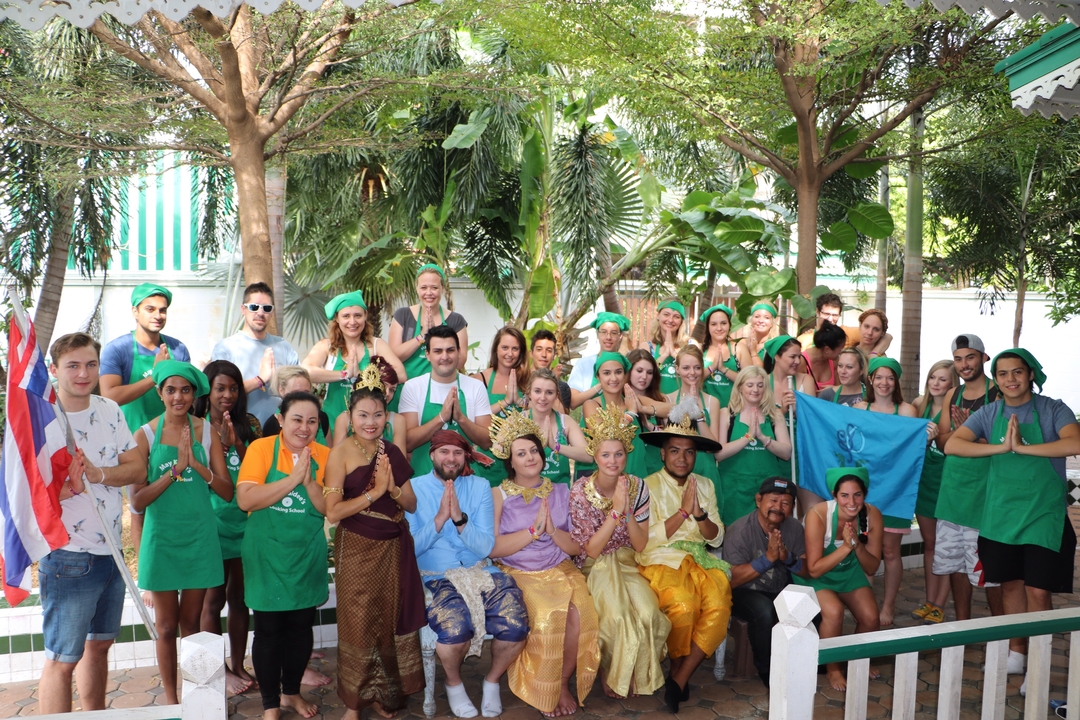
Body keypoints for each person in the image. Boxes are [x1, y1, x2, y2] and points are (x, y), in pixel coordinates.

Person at [945, 349, 1080, 692]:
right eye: (1002, 374)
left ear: (1030, 374)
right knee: (1011, 586)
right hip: (1001, 515)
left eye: (1017, 372)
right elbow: (953, 445)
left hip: (1042, 514)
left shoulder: (1053, 409)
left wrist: (1023, 447)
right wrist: (1002, 448)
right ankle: (1016, 652)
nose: (1010, 380)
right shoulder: (991, 413)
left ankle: (1039, 664)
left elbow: (1074, 441)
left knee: (1038, 590)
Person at [38, 333, 145, 715]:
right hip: (68, 556)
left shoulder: (109, 409)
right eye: (73, 365)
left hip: (111, 552)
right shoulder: (41, 419)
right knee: (62, 660)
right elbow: (24, 494)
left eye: (91, 365)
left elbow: (137, 468)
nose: (83, 374)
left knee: (99, 645)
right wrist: (67, 489)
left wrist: (98, 474)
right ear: (54, 370)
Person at [323, 366, 425, 719]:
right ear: (350, 416)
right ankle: (354, 703)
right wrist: (375, 494)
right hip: (357, 548)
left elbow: (411, 503)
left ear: (387, 417)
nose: (371, 422)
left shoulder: (392, 452)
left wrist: (393, 489)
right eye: (363, 415)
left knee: (388, 621)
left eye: (378, 415)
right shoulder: (340, 454)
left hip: (393, 548)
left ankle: (385, 695)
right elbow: (333, 512)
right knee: (359, 622)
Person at [406, 430, 529, 719]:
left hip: (480, 570)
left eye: (458, 453)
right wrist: (439, 519)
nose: (451, 458)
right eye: (445, 452)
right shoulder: (413, 488)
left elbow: (486, 546)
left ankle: (492, 681)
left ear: (465, 457)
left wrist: (460, 519)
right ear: (432, 455)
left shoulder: (480, 486)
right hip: (434, 574)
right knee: (454, 632)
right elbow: (411, 549)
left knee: (516, 627)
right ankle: (454, 683)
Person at [131, 360, 233, 706]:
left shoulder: (206, 432)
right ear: (159, 393)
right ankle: (173, 699)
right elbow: (139, 499)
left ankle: (198, 698)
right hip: (161, 541)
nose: (178, 397)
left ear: (194, 395)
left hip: (200, 539)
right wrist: (175, 471)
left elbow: (226, 491)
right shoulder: (144, 435)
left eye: (185, 390)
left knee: (192, 623)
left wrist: (197, 466)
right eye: (171, 390)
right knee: (165, 626)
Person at [489, 413, 600, 717]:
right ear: (510, 462)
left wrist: (551, 530)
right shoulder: (497, 495)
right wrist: (532, 532)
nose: (530, 458)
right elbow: (493, 548)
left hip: (561, 568)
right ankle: (541, 687)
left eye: (534, 451)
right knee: (550, 618)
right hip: (520, 572)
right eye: (521, 453)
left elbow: (578, 547)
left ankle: (562, 683)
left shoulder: (564, 491)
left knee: (583, 616)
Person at [236, 392, 332, 720]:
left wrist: (310, 484)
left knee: (301, 627)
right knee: (268, 629)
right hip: (266, 554)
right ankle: (270, 705)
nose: (304, 428)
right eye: (297, 419)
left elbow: (328, 510)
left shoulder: (325, 455)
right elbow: (246, 500)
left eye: (311, 421)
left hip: (305, 554)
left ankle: (291, 693)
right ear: (281, 419)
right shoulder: (260, 449)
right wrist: (292, 480)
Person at [568, 408, 670, 699]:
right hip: (593, 565)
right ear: (595, 458)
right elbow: (591, 549)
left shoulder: (638, 487)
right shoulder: (580, 491)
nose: (613, 462)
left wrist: (628, 514)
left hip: (627, 560)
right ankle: (610, 671)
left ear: (627, 455)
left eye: (619, 455)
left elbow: (639, 545)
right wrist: (615, 511)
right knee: (619, 617)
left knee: (650, 614)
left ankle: (638, 671)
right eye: (605, 455)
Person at [636, 423, 730, 713]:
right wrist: (682, 513)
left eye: (689, 452)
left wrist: (699, 514)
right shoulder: (646, 485)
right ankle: (680, 670)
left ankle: (678, 678)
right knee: (683, 605)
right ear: (663, 454)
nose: (682, 458)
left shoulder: (705, 484)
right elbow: (644, 540)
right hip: (661, 559)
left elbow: (716, 537)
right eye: (675, 451)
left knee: (719, 605)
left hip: (700, 560)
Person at [99, 283, 189, 566]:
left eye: (163, 310)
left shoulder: (177, 348)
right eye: (150, 309)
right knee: (139, 508)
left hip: (171, 438)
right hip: (133, 442)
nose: (158, 315)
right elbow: (110, 395)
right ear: (135, 312)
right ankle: (148, 574)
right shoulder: (119, 349)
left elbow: (188, 393)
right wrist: (155, 376)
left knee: (172, 502)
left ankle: (174, 563)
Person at [194, 360, 263, 695]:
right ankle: (214, 671)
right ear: (207, 390)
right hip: (212, 524)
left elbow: (259, 468)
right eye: (220, 388)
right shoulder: (195, 426)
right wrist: (217, 445)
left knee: (240, 599)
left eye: (233, 388)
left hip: (244, 523)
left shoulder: (249, 423)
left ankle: (237, 665)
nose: (227, 395)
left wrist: (236, 444)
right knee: (212, 600)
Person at [932, 334, 1006, 634]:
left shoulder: (999, 393)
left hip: (985, 495)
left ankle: (1000, 631)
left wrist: (964, 433)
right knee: (955, 566)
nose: (964, 364)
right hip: (952, 493)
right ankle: (962, 627)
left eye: (970, 357)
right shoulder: (952, 395)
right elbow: (943, 442)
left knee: (990, 570)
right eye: (959, 359)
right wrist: (974, 433)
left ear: (984, 359)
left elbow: (1001, 440)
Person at [853, 357, 926, 627]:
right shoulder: (859, 409)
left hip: (895, 488)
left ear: (896, 381)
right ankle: (867, 604)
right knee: (866, 548)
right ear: (870, 380)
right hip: (864, 491)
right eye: (879, 377)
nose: (884, 383)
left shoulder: (906, 411)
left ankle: (888, 605)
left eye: (890, 378)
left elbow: (911, 447)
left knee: (890, 551)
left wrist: (925, 435)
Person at [795, 467, 883, 692]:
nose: (851, 502)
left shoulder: (873, 515)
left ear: (865, 495)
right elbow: (814, 569)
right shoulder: (817, 514)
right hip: (817, 576)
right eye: (844, 495)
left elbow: (872, 566)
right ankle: (832, 667)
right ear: (834, 495)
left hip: (848, 572)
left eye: (857, 495)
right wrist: (846, 547)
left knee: (871, 617)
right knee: (833, 611)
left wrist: (856, 546)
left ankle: (858, 659)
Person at [721, 478, 807, 686]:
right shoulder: (739, 530)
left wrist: (787, 557)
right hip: (744, 591)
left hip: (779, 588)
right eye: (773, 500)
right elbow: (731, 580)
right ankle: (768, 672)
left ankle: (805, 666)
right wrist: (767, 559)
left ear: (792, 508)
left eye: (785, 503)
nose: (778, 507)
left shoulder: (794, 528)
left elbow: (805, 570)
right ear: (759, 500)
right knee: (765, 611)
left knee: (809, 607)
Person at [399, 324, 492, 479]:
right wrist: (441, 418)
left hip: (469, 481)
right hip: (424, 481)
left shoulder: (475, 387)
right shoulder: (413, 387)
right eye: (437, 351)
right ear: (428, 354)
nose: (445, 357)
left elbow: (487, 441)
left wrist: (461, 418)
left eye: (450, 350)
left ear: (459, 352)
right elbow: (408, 442)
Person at [302, 290, 406, 425]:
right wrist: (345, 374)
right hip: (333, 422)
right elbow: (305, 372)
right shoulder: (326, 346)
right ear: (337, 318)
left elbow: (401, 374)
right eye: (346, 316)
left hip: (370, 425)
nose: (352, 322)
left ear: (365, 316)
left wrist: (360, 375)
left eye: (358, 315)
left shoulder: (376, 345)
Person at [910, 360, 958, 625]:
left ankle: (940, 604)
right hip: (924, 481)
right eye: (932, 378)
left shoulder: (957, 409)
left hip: (948, 483)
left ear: (952, 385)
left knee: (946, 546)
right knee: (930, 545)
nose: (936, 384)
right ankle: (930, 600)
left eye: (942, 379)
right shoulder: (919, 405)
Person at [211, 282, 301, 425]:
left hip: (280, 431)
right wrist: (261, 379)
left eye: (266, 308)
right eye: (254, 307)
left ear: (272, 312)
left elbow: (299, 389)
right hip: (239, 429)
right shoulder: (226, 347)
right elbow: (220, 395)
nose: (260, 313)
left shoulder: (283, 347)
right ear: (243, 309)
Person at [716, 367, 792, 526]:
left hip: (767, 489)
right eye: (750, 385)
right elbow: (719, 453)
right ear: (740, 387)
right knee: (734, 537)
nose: (755, 390)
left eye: (760, 385)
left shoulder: (775, 415)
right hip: (734, 489)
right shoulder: (726, 413)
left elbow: (786, 452)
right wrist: (749, 436)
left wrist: (763, 438)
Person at [388, 264, 469, 409]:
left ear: (442, 289)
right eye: (424, 287)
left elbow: (460, 362)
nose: (429, 292)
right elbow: (393, 356)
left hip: (440, 393)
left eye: (434, 287)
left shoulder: (456, 321)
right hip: (403, 391)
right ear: (417, 289)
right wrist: (422, 336)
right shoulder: (403, 316)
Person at [472, 327, 531, 486]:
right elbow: (473, 417)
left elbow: (540, 411)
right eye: (505, 347)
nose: (509, 353)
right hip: (486, 458)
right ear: (496, 349)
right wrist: (505, 402)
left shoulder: (529, 379)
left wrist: (519, 401)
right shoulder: (480, 379)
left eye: (515, 348)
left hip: (520, 461)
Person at [665, 346, 723, 502]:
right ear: (677, 369)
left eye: (697, 367)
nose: (692, 372)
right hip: (676, 471)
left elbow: (713, 447)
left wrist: (698, 415)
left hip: (706, 471)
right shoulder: (668, 400)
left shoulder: (713, 401)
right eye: (686, 368)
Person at [582, 352, 650, 481]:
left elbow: (670, 408)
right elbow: (603, 435)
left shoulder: (634, 402)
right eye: (607, 373)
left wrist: (642, 408)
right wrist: (630, 415)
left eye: (618, 372)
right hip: (605, 486)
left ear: (625, 375)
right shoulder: (591, 405)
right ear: (598, 377)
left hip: (638, 480)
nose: (613, 378)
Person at [524, 369, 592, 487]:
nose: (543, 397)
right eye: (537, 391)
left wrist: (555, 446)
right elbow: (498, 451)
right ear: (529, 393)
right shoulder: (516, 421)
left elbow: (588, 456)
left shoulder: (565, 421)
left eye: (549, 392)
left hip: (559, 496)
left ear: (556, 395)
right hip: (525, 495)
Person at [332, 356, 408, 456]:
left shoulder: (398, 421)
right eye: (384, 385)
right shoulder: (343, 419)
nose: (388, 393)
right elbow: (337, 458)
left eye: (392, 390)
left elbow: (400, 464)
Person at [794, 294, 892, 355]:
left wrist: (873, 355)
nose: (830, 319)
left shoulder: (847, 333)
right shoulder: (805, 340)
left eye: (835, 315)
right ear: (818, 312)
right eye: (826, 314)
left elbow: (886, 337)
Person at [625, 348, 671, 476]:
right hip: (629, 471)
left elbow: (670, 438)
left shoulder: (661, 399)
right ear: (629, 371)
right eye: (639, 371)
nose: (644, 376)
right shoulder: (619, 399)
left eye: (649, 372)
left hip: (657, 471)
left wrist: (648, 423)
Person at [699, 304, 753, 408]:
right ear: (708, 327)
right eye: (713, 324)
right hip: (705, 412)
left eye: (723, 323)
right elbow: (692, 380)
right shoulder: (700, 350)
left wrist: (724, 369)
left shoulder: (739, 349)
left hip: (734, 411)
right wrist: (712, 368)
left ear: (729, 325)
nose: (719, 328)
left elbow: (750, 382)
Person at [261, 366, 332, 445]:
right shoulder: (271, 426)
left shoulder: (322, 418)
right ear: (281, 390)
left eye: (306, 392)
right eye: (296, 393)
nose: (302, 397)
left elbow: (331, 454)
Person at [567, 312, 631, 399]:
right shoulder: (583, 364)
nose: (608, 337)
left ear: (620, 336)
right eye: (604, 332)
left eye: (613, 333)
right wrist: (601, 385)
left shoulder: (626, 365)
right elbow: (573, 401)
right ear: (597, 334)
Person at [638, 299, 691, 394]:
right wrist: (664, 355)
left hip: (683, 403)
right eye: (666, 314)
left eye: (676, 317)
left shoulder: (690, 345)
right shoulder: (646, 347)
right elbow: (642, 375)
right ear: (658, 316)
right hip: (655, 404)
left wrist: (675, 355)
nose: (670, 320)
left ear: (681, 321)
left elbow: (694, 374)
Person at [529, 329, 573, 411]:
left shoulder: (562, 387)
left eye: (549, 351)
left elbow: (562, 420)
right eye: (539, 349)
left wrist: (552, 383)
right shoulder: (520, 381)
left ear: (554, 356)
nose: (544, 354)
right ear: (531, 353)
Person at [800, 322, 846, 391]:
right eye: (841, 348)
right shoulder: (801, 361)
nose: (841, 352)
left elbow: (841, 389)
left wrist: (833, 389)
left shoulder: (834, 362)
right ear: (827, 349)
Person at [735, 301, 778, 367]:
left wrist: (753, 351)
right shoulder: (743, 343)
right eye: (757, 317)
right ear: (751, 320)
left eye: (766, 317)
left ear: (772, 323)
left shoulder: (774, 346)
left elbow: (760, 373)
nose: (761, 321)